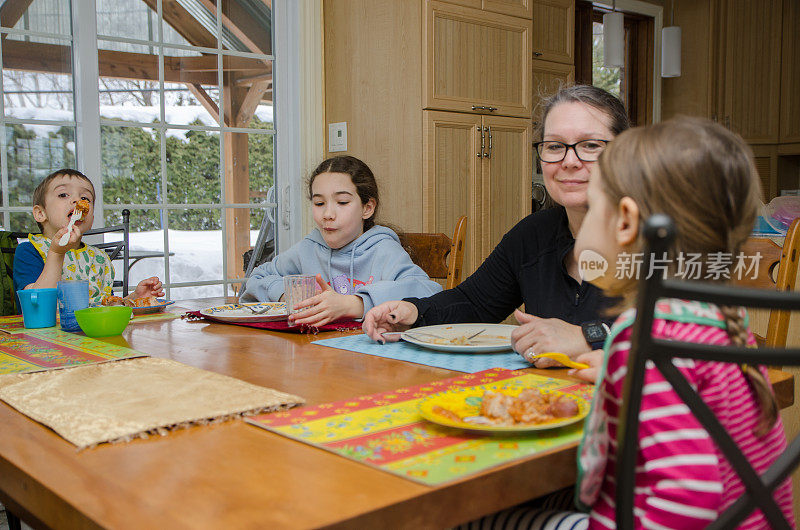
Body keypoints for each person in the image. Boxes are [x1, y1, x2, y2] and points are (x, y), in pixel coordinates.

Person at [465, 117, 794, 529]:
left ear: (623, 221)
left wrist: (633, 366)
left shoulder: (651, 351)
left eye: (592, 205)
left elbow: (689, 497)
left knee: (474, 518)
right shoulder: (711, 318)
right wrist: (619, 370)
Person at [363, 85, 630, 363]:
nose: (569, 161)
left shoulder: (662, 235)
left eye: (590, 146)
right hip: (549, 399)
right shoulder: (533, 235)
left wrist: (590, 336)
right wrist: (414, 312)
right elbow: (475, 303)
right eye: (555, 146)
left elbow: (675, 333)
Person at [239, 155, 442, 326]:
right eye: (319, 203)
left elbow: (429, 291)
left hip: (372, 360)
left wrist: (355, 304)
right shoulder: (308, 248)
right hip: (317, 356)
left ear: (367, 208)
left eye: (342, 202)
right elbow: (257, 279)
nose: (327, 214)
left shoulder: (384, 250)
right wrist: (287, 294)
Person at [14, 169, 164, 305]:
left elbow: (102, 306)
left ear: (91, 219)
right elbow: (37, 305)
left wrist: (134, 298)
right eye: (63, 195)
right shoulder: (29, 251)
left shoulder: (98, 258)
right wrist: (56, 253)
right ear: (41, 213)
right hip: (47, 334)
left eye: (85, 198)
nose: (77, 201)